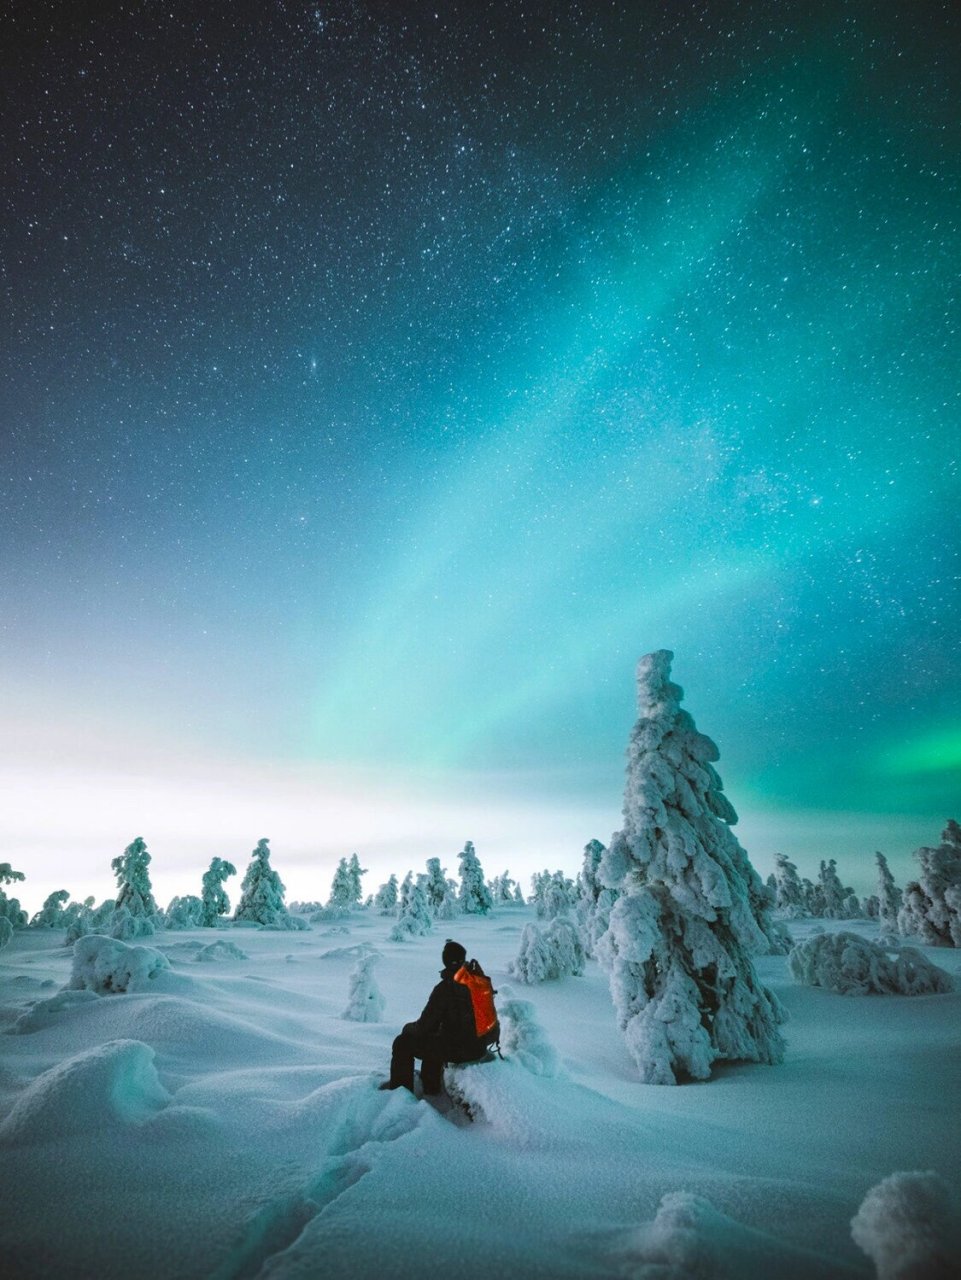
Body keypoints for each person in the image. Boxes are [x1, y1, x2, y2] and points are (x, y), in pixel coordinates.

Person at [380, 939, 492, 1095]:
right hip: (478, 1047)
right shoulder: (478, 981)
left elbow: (424, 1026)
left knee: (402, 1043)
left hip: (461, 1049)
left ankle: (401, 1095)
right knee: (435, 1038)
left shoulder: (445, 988)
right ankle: (431, 1088)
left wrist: (407, 1028)